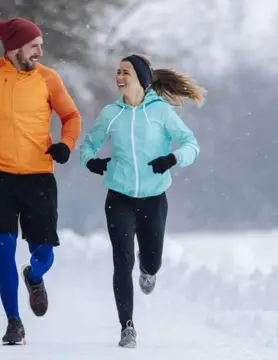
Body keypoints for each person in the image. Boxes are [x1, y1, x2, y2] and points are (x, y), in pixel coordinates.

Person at [0, 17, 81, 345]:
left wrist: (66, 144)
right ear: (15, 47)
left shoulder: (49, 79)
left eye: (41, 45)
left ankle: (33, 277)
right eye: (34, 46)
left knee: (44, 255)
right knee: (4, 247)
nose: (40, 51)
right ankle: (13, 322)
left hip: (39, 177)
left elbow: (71, 116)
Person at [78, 54, 203, 348]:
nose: (119, 77)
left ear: (142, 80)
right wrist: (91, 162)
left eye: (126, 73)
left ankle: (149, 271)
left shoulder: (161, 112)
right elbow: (89, 144)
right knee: (122, 260)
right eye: (118, 72)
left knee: (151, 260)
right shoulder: (111, 113)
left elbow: (191, 145)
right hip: (119, 197)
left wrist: (172, 158)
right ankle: (127, 327)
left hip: (153, 199)